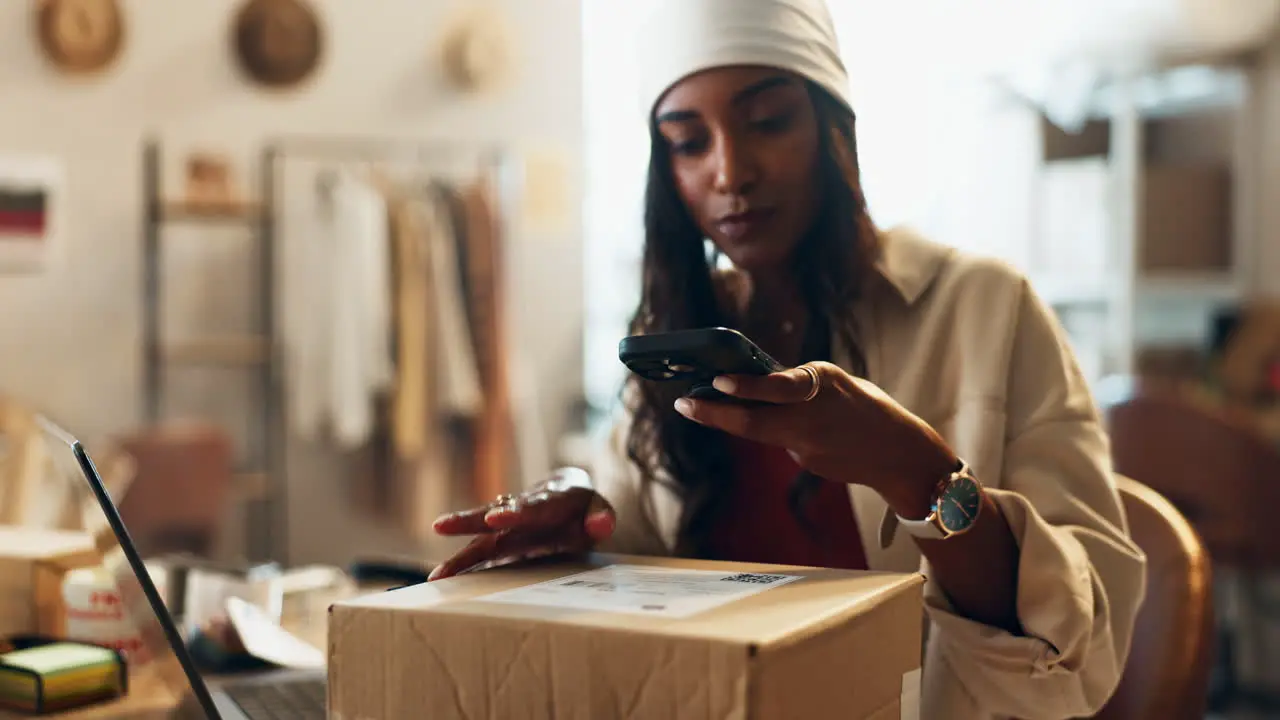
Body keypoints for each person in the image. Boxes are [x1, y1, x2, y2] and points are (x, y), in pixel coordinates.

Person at [429, 0, 1147, 717]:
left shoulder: (985, 307)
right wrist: (579, 513)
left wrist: (913, 470)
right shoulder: (684, 333)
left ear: (833, 129)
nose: (730, 172)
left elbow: (1075, 647)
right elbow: (632, 536)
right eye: (687, 142)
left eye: (768, 122)